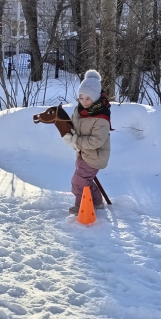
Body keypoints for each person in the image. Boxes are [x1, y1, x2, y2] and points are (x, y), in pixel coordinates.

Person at [62, 69, 111, 214]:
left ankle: (81, 206)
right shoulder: (79, 110)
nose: (84, 101)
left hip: (95, 156)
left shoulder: (101, 117)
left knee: (79, 181)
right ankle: (97, 203)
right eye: (81, 97)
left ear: (95, 98)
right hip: (82, 153)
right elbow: (73, 124)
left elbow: (97, 141)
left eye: (88, 98)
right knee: (85, 180)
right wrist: (68, 132)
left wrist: (76, 141)